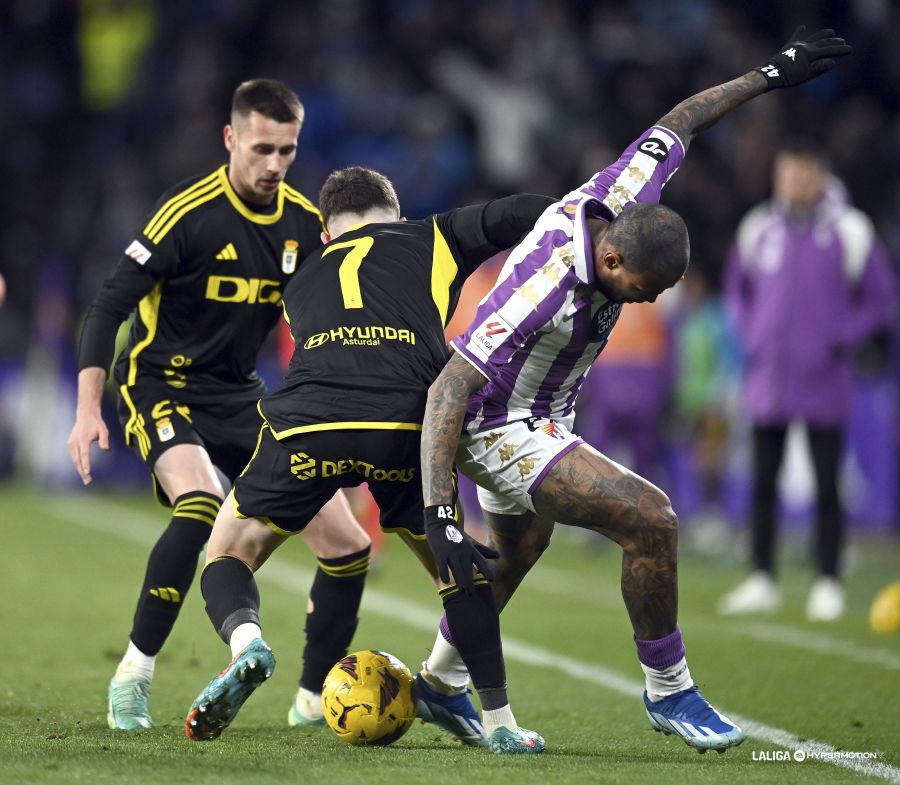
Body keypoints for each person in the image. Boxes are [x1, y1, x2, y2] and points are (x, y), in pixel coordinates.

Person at [417, 27, 852, 753]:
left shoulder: (622, 194)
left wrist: (771, 74)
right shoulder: (546, 290)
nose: (645, 304)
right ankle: (670, 687)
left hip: (544, 412)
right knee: (650, 518)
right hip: (495, 421)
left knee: (516, 553)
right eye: (640, 291)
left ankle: (438, 681)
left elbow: (679, 121)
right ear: (610, 255)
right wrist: (439, 516)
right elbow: (448, 389)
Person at [183, 166, 554, 754]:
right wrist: (589, 215)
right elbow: (520, 210)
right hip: (403, 428)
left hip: (307, 423)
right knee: (461, 575)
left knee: (228, 550)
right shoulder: (431, 235)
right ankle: (498, 720)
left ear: (328, 233)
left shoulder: (302, 275)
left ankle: (246, 642)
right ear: (396, 215)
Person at [66, 79, 373, 731]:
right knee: (201, 501)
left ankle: (314, 696)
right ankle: (135, 674)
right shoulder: (187, 213)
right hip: (158, 384)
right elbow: (109, 304)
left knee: (348, 541)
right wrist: (88, 407)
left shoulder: (299, 227)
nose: (274, 165)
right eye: (262, 148)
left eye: (287, 151)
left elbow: (326, 323)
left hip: (239, 396)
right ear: (231, 138)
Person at [717, 141, 896, 621]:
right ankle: (761, 578)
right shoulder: (759, 227)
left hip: (824, 379)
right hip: (768, 378)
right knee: (763, 482)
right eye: (787, 175)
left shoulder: (851, 230)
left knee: (826, 483)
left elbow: (880, 299)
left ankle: (829, 580)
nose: (794, 184)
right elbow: (736, 288)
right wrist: (749, 331)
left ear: (819, 177)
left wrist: (842, 337)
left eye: (802, 175)